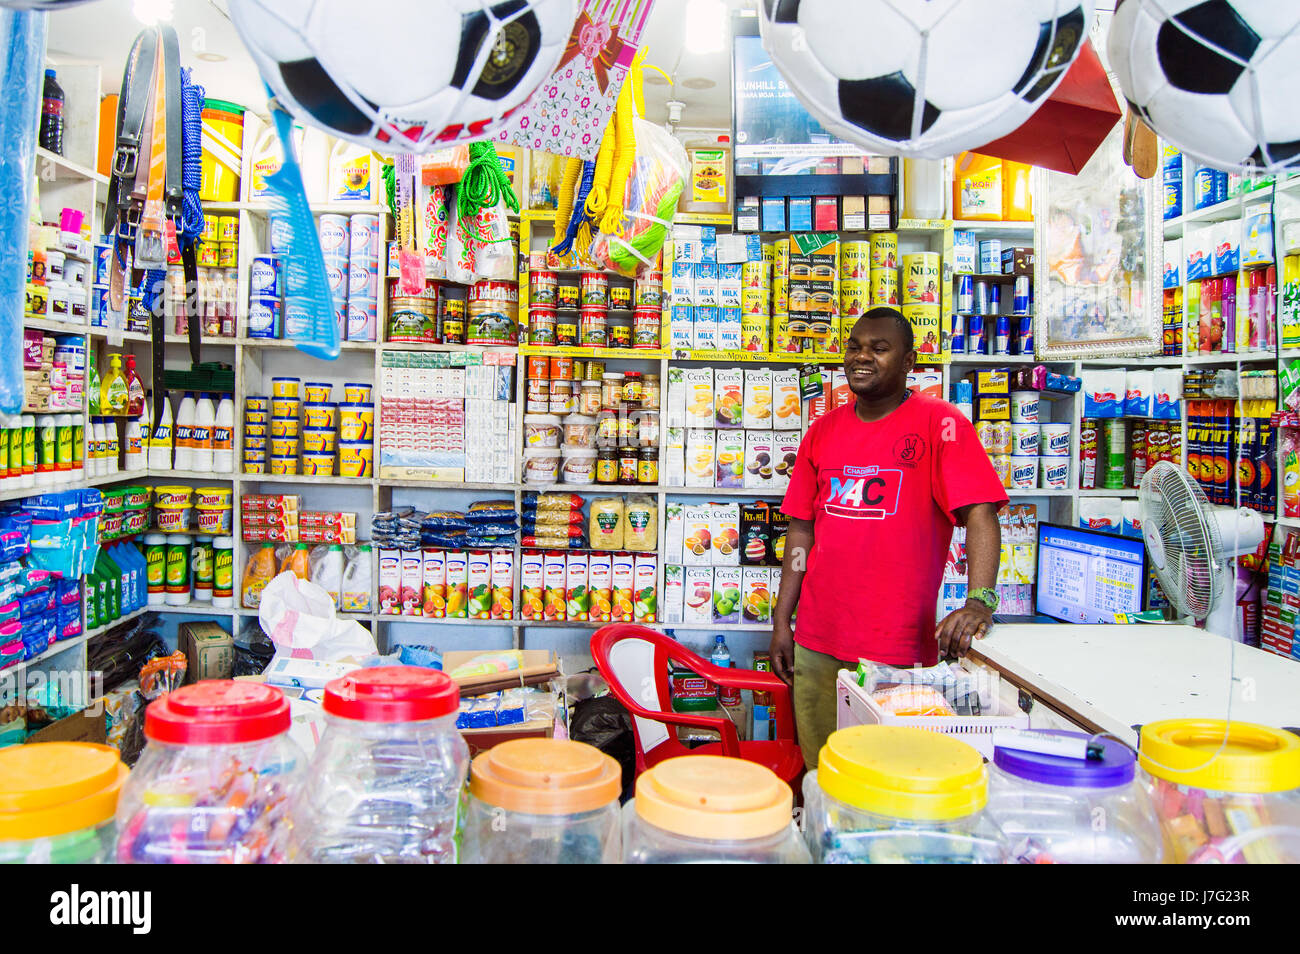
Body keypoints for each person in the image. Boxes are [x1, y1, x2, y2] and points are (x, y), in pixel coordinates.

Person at [771, 307, 1008, 769]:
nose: (863, 357)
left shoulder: (941, 423)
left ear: (908, 361)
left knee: (891, 775)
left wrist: (980, 601)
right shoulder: (822, 431)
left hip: (897, 648)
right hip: (817, 641)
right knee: (824, 772)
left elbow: (980, 511)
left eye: (879, 349)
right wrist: (783, 622)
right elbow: (801, 528)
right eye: (855, 347)